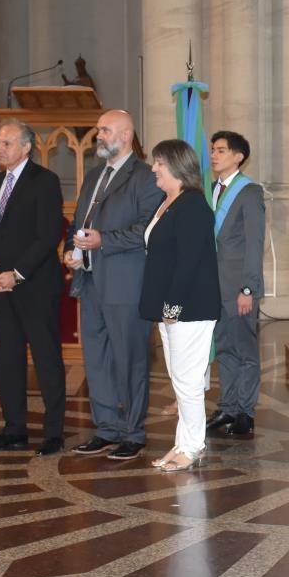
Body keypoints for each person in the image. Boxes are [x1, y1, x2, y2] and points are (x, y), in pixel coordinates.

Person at [64, 109, 163, 461]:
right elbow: (77, 223)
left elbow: (146, 230)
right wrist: (70, 251)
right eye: (98, 130)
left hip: (126, 284)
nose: (98, 136)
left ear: (125, 135)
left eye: (104, 130)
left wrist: (103, 240)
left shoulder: (145, 176)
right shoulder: (93, 176)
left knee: (130, 361)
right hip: (90, 282)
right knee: (97, 360)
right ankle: (106, 428)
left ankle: (133, 432)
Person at [0, 118, 66, 457]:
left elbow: (48, 235)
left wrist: (16, 274)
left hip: (36, 286)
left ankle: (54, 433)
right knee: (8, 359)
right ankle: (13, 429)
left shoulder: (45, 181)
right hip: (1, 286)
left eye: (7, 143)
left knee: (46, 359)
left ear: (27, 147)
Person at [140, 139, 221, 472]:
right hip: (170, 309)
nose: (154, 168)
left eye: (159, 162)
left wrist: (172, 308)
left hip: (189, 308)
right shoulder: (167, 201)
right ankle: (182, 443)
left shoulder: (193, 205)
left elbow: (188, 263)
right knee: (180, 379)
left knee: (187, 381)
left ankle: (193, 446)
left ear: (177, 165)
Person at [205, 131, 266, 436]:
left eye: (220, 150)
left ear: (238, 156)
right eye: (213, 150)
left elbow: (255, 245)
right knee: (225, 350)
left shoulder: (250, 191)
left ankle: (245, 412)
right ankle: (227, 408)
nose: (214, 155)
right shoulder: (213, 189)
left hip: (239, 288)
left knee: (245, 351)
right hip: (215, 285)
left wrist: (248, 290)